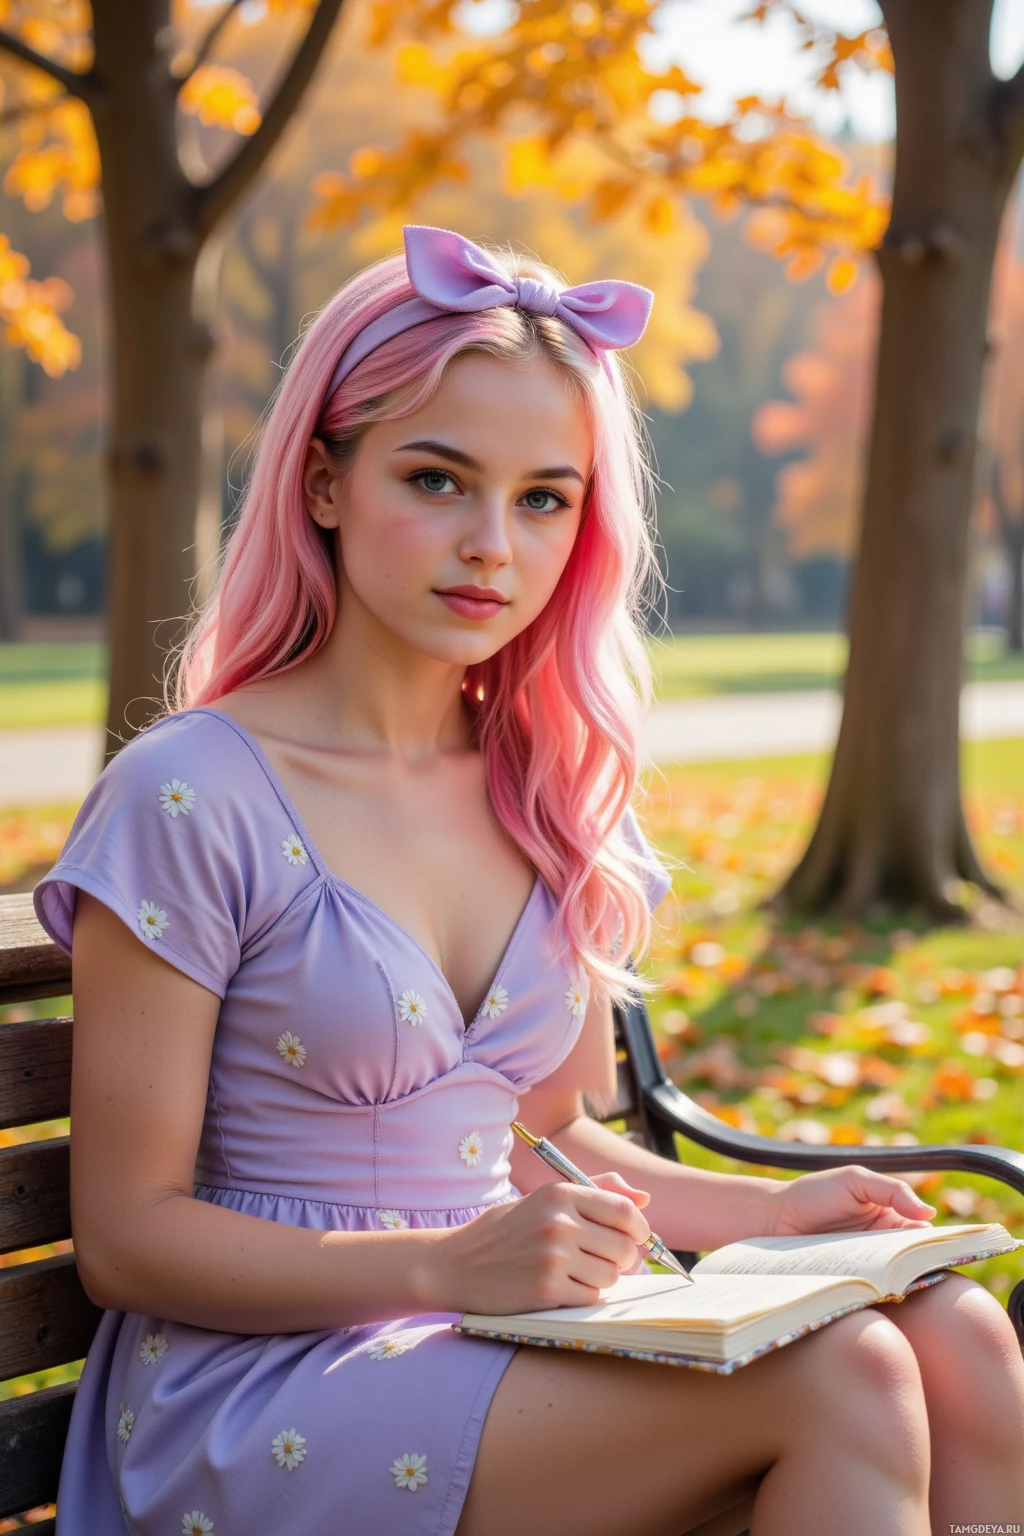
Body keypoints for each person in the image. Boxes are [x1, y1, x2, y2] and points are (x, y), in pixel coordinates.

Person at [34, 225, 1024, 1536]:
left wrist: (766, 1209)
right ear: (323, 481)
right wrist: (446, 1262)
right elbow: (125, 1238)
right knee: (846, 1383)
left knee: (959, 1341)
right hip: (260, 1378)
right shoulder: (192, 794)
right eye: (438, 480)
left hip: (484, 1327)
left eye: (544, 497)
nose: (491, 544)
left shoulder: (531, 785)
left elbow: (532, 1147)